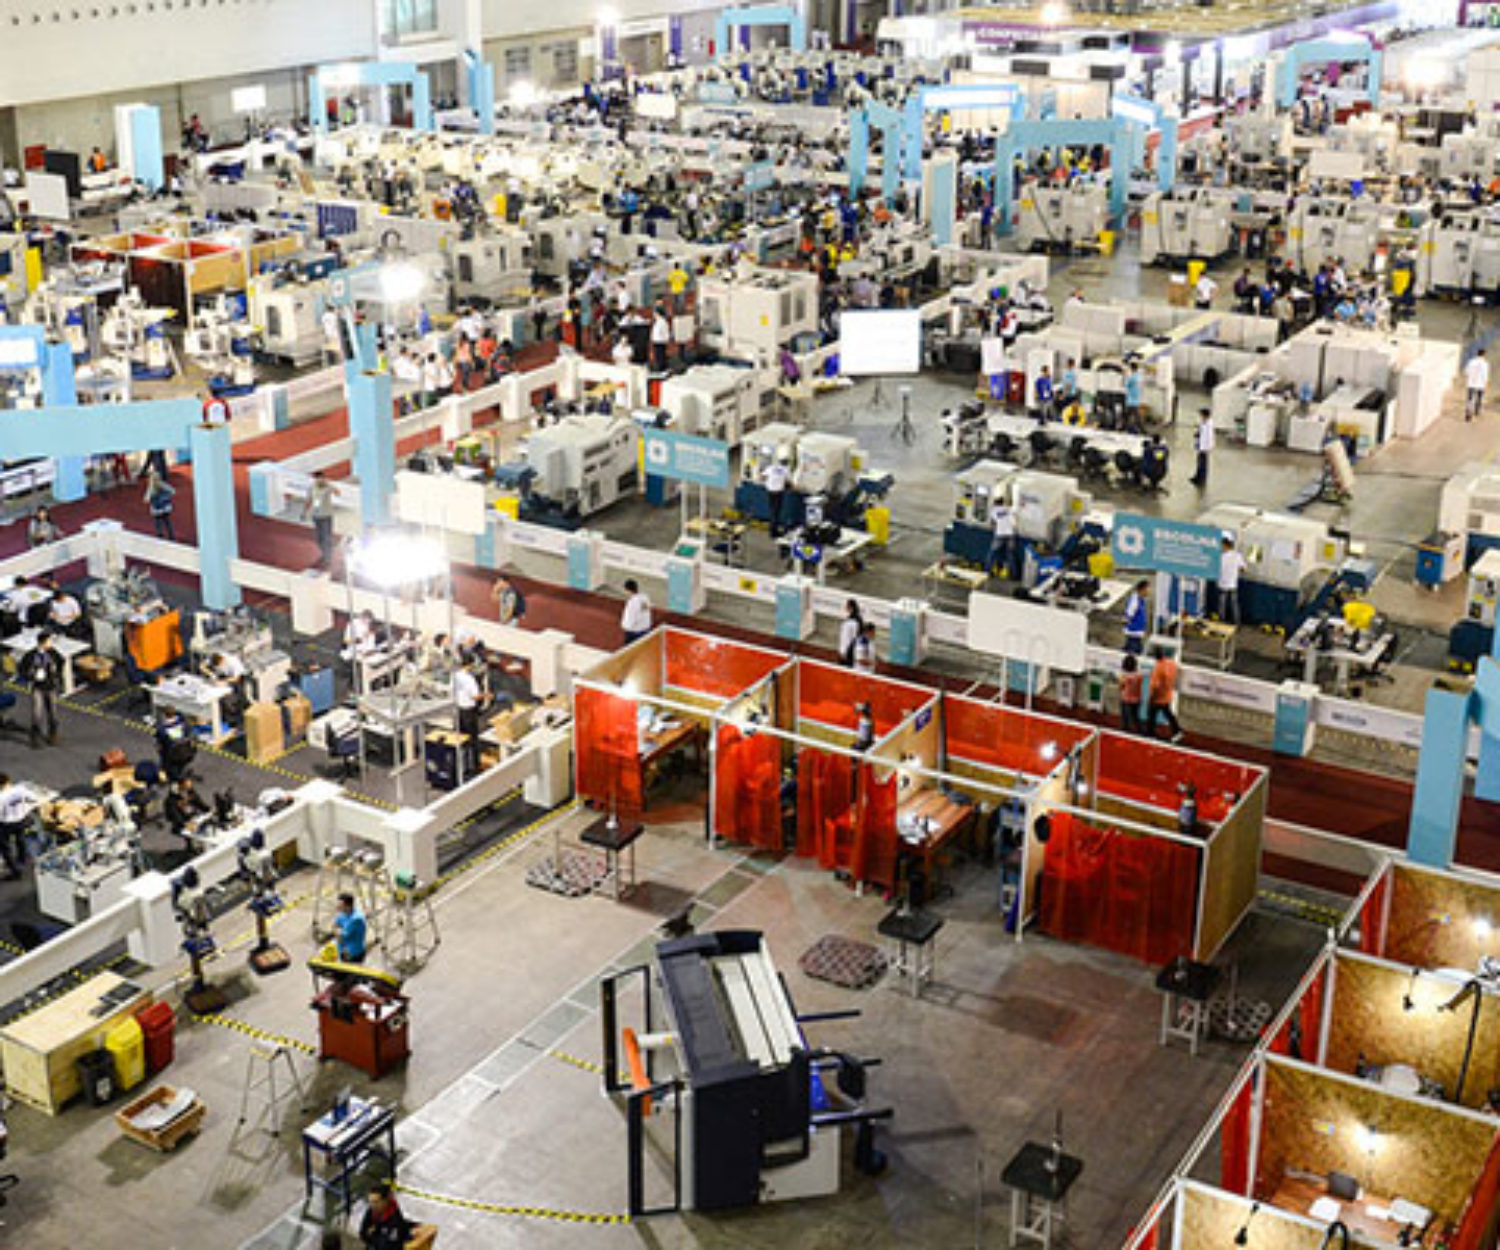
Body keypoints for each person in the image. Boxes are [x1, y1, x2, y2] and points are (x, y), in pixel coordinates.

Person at [20, 630, 62, 748]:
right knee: (36, 714)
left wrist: (56, 674)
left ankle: (52, 734)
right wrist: (31, 676)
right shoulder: (30, 656)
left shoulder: (53, 653)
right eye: (49, 641)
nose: (51, 643)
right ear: (43, 642)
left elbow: (61, 662)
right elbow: (22, 669)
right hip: (37, 688)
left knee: (53, 713)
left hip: (50, 686)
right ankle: (35, 738)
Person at [358, 1181, 415, 1249]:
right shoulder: (372, 1211)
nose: (373, 1205)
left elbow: (392, 1244)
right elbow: (363, 1233)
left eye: (376, 1202)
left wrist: (374, 1236)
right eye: (370, 1202)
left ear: (386, 1200)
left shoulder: (400, 1216)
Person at [1146, 645, 1183, 742]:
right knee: (1169, 714)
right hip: (1167, 695)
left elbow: (1155, 686)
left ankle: (1150, 733)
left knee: (1151, 715)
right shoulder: (1171, 664)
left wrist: (1151, 696)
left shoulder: (1158, 668)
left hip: (1158, 698)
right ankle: (1177, 731)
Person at [0, 774, 34, 879]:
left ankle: (16, 871)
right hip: (21, 820)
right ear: (8, 780)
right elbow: (32, 798)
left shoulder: (1, 797)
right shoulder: (20, 789)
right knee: (20, 840)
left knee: (5, 847)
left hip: (6, 824)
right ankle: (22, 860)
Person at [303, 471, 337, 569]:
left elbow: (338, 493)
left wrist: (329, 485)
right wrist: (304, 512)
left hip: (326, 515)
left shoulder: (327, 487)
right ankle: (326, 553)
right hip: (316, 516)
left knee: (326, 537)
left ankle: (328, 558)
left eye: (321, 478)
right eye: (317, 478)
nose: (319, 480)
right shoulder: (311, 488)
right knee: (319, 538)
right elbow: (309, 500)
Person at [164, 777, 210, 843]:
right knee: (196, 834)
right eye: (187, 786)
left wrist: (207, 809)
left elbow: (197, 801)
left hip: (193, 817)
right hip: (181, 822)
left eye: (190, 785)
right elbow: (175, 815)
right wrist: (185, 824)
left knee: (207, 827)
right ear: (181, 785)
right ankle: (192, 845)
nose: (189, 787)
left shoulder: (189, 790)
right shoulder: (171, 800)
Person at [1217, 537, 1247, 625]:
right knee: (1234, 604)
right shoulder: (1237, 556)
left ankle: (1221, 621)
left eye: (1222, 545)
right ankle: (1236, 621)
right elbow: (1244, 568)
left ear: (1225, 545)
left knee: (1222, 604)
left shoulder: (1221, 556)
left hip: (1222, 583)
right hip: (1232, 584)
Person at [988, 499, 1020, 582]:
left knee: (993, 553)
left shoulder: (994, 510)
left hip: (1000, 534)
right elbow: (1014, 522)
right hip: (1010, 534)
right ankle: (1014, 575)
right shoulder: (1009, 509)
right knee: (1011, 554)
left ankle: (988, 571)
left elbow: (992, 523)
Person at [334, 892, 368, 964]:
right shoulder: (341, 915)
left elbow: (343, 935)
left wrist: (338, 932)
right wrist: (338, 932)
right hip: (342, 951)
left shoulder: (357, 919)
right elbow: (336, 928)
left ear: (348, 905)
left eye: (340, 905)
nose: (337, 907)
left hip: (353, 954)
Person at [145, 470, 177, 541]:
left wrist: (151, 499)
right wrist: (167, 496)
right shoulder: (163, 485)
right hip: (165, 508)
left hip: (157, 509)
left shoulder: (151, 488)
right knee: (167, 522)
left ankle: (159, 535)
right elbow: (173, 491)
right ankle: (171, 536)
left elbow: (146, 499)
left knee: (158, 523)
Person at [764, 454, 790, 539]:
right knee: (776, 512)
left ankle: (772, 529)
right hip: (778, 492)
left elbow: (763, 476)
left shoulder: (771, 468)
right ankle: (774, 532)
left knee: (773, 511)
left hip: (770, 491)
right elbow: (788, 481)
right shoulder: (785, 470)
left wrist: (768, 483)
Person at [620, 578, 652, 644]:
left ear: (628, 590)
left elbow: (630, 618)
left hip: (635, 632)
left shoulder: (632, 602)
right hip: (646, 629)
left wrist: (624, 626)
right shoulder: (645, 597)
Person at [1118, 655, 1143, 736]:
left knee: (1126, 719)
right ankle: (1139, 732)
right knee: (1135, 718)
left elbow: (1120, 687)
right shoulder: (1139, 676)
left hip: (1126, 700)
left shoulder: (1124, 677)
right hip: (1137, 700)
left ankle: (1125, 733)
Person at [1123, 579, 1149, 655]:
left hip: (1138, 633)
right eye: (1147, 589)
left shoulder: (1142, 600)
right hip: (1133, 633)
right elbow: (1128, 615)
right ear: (1142, 589)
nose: (1148, 591)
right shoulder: (1135, 600)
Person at [1190, 409, 1215, 488]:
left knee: (1202, 464)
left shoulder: (1209, 425)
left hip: (1205, 448)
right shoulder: (1204, 423)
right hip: (1201, 446)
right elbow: (1201, 431)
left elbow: (1209, 438)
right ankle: (1197, 477)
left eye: (1201, 415)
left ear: (1205, 415)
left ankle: (1201, 480)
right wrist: (1197, 433)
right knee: (1199, 462)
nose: (1201, 417)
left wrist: (1208, 449)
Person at [838, 599, 864, 667]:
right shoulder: (857, 619)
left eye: (847, 606)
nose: (845, 607)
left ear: (851, 607)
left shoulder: (852, 622)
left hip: (850, 652)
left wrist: (844, 652)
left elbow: (849, 638)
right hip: (851, 650)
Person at [1467, 349, 1490, 422]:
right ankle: (1477, 411)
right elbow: (1485, 375)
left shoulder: (1471, 362)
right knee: (1479, 398)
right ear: (1484, 354)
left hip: (1471, 383)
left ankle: (1469, 413)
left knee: (1470, 398)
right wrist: (1486, 383)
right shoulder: (1485, 364)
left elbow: (1467, 371)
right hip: (1480, 384)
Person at [650, 304, 672, 372]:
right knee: (658, 357)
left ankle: (662, 369)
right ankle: (661, 368)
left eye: (654, 312)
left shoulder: (662, 322)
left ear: (658, 313)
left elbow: (665, 332)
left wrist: (666, 340)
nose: (653, 314)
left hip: (660, 342)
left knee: (661, 357)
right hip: (657, 342)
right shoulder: (657, 321)